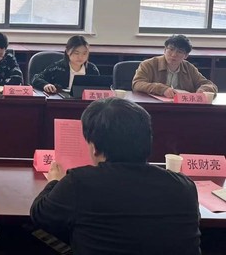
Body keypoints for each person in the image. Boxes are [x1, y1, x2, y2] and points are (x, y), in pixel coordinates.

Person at [30, 97, 200, 255]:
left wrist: (54, 181)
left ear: (94, 147)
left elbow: (40, 215)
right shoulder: (184, 186)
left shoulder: (79, 182)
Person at [132, 34, 217, 97]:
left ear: (186, 56)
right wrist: (162, 89)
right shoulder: (148, 64)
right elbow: (137, 84)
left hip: (182, 107)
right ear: (165, 50)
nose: (173, 55)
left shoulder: (189, 68)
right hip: (155, 106)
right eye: (171, 50)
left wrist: (203, 90)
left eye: (179, 52)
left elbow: (210, 85)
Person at [31, 35, 99, 94]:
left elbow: (99, 87)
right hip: (61, 100)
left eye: (84, 53)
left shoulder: (92, 69)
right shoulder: (57, 68)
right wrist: (45, 85)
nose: (80, 57)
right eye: (76, 53)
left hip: (85, 102)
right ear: (67, 51)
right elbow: (36, 78)